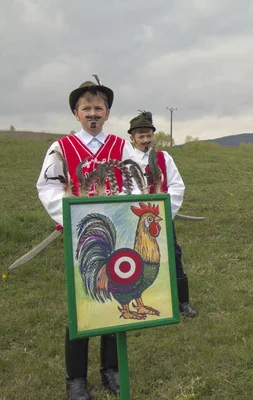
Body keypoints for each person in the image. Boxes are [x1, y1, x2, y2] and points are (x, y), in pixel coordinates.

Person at [37, 78, 133, 399]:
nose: (93, 113)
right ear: (76, 113)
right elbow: (48, 187)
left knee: (115, 299)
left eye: (99, 108)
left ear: (107, 114)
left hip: (117, 234)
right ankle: (75, 378)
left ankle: (111, 369)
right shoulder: (61, 149)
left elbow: (137, 182)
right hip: (82, 240)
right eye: (86, 108)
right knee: (83, 305)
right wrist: (70, 215)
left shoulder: (122, 146)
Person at [128, 111, 198, 318]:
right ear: (132, 138)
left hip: (162, 218)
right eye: (140, 136)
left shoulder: (163, 157)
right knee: (140, 260)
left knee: (174, 256)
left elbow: (177, 186)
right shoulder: (126, 159)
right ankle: (145, 300)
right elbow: (125, 188)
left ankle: (183, 302)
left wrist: (165, 211)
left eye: (148, 135)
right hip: (137, 221)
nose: (145, 140)